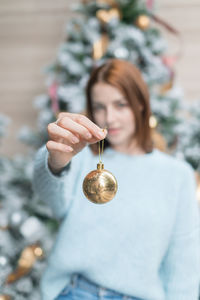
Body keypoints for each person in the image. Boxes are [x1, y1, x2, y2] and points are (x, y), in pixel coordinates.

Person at [32, 59, 200, 300]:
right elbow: (49, 193)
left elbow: (183, 264)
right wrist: (55, 160)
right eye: (100, 107)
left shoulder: (178, 175)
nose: (109, 118)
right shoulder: (82, 159)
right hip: (77, 291)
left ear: (141, 104)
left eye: (121, 105)